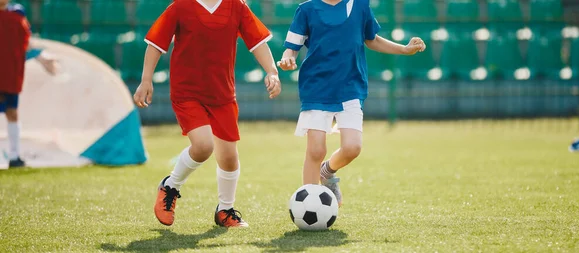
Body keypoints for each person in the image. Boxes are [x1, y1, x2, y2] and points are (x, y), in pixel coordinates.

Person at [133, 0, 281, 228]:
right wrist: (145, 80)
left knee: (229, 158)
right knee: (203, 146)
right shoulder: (181, 6)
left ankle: (225, 210)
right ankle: (171, 186)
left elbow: (258, 42)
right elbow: (155, 43)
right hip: (187, 93)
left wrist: (271, 71)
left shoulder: (237, 6)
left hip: (222, 96)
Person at [278, 0, 426, 206]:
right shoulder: (306, 9)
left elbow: (371, 39)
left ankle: (327, 171)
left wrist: (404, 49)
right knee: (315, 150)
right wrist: (288, 59)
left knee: (352, 148)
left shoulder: (360, 5)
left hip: (351, 86)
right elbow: (291, 48)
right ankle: (309, 207)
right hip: (316, 86)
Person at [0, 0, 57, 168]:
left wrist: (42, 58)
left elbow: (25, 42)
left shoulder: (17, 14)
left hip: (10, 72)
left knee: (12, 112)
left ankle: (14, 156)